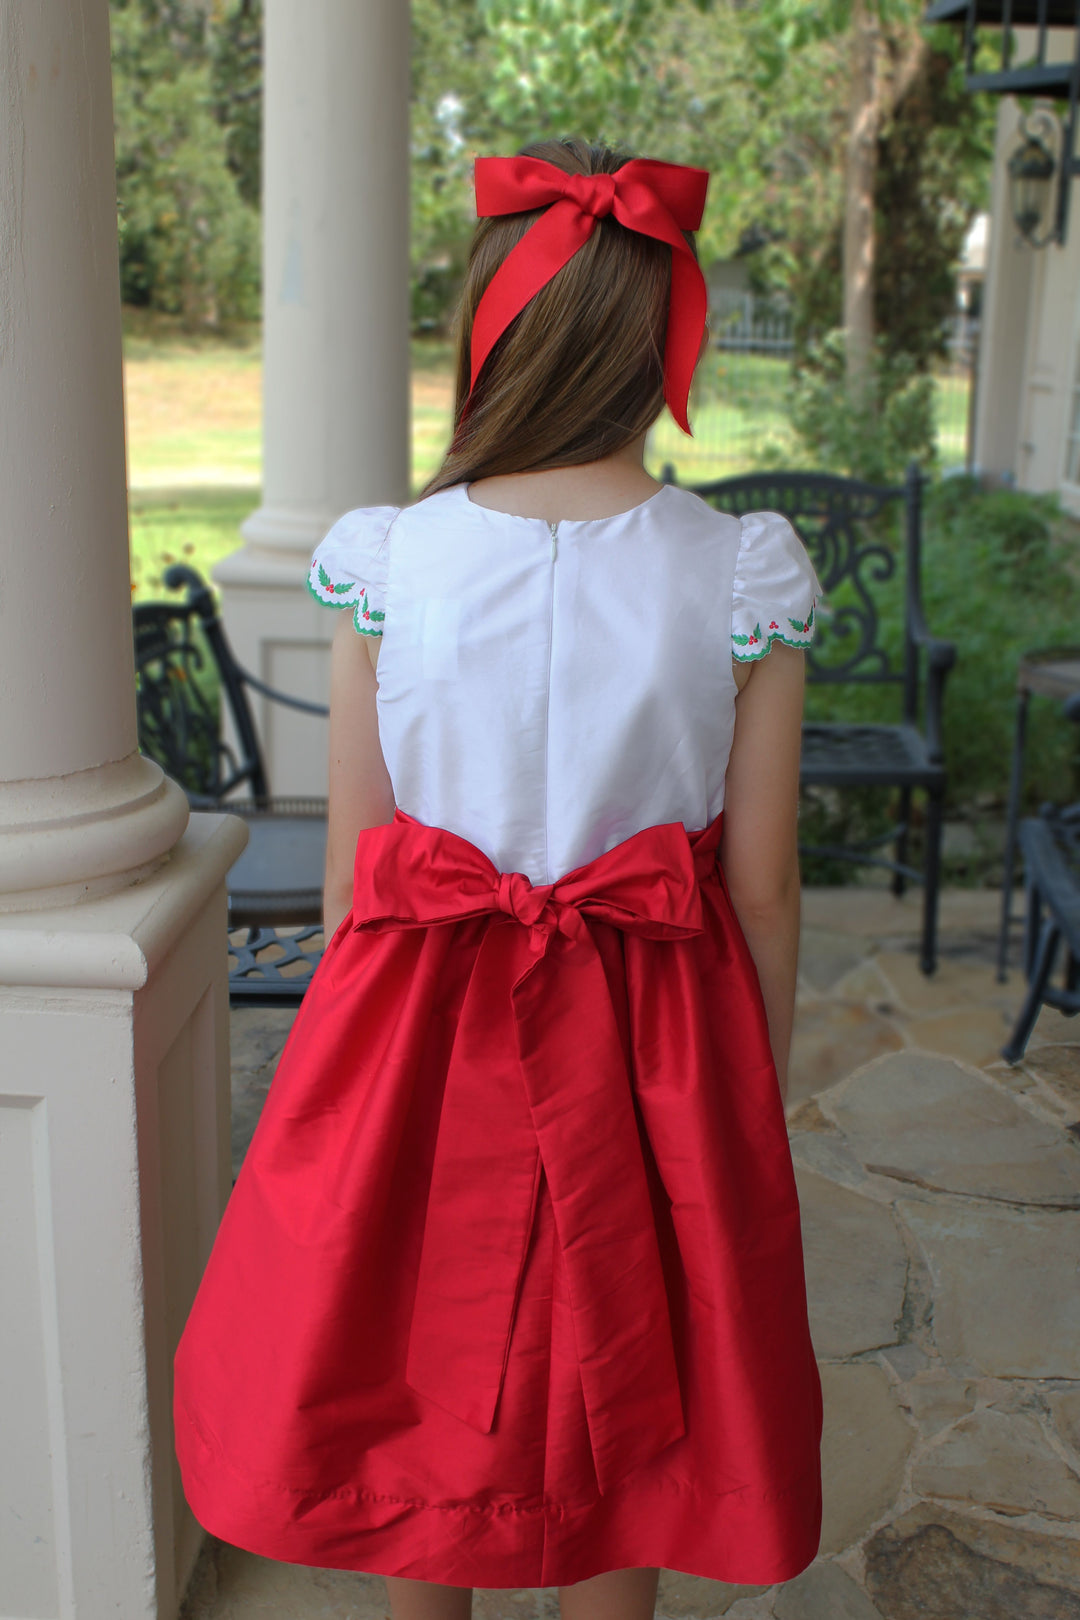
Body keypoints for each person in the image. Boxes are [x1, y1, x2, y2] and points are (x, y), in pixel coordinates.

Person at [173, 135, 825, 1620]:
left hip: (424, 1041)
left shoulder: (392, 564)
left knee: (430, 1418)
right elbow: (765, 890)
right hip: (655, 1054)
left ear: (491, 332)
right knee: (628, 1429)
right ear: (668, 331)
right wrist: (747, 1097)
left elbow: (358, 885)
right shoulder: (737, 573)